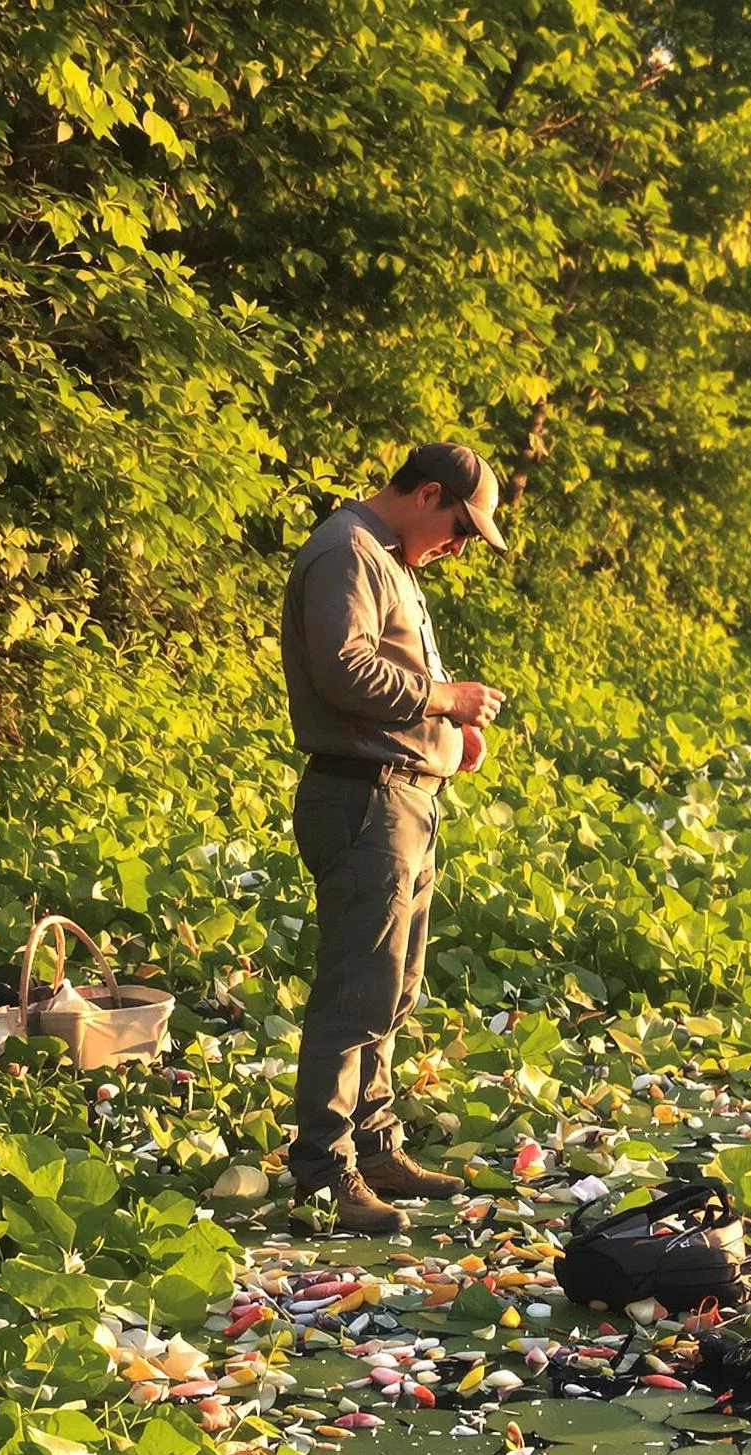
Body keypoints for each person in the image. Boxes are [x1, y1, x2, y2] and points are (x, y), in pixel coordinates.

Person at [278, 443, 509, 1233]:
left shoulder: (387, 557)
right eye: (461, 528)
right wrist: (443, 700)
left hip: (403, 798)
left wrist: (447, 737)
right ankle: (324, 1170)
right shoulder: (345, 550)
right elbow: (343, 670)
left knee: (393, 987)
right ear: (429, 494)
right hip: (362, 801)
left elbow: (387, 682)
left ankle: (374, 1145)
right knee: (355, 992)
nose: (460, 546)